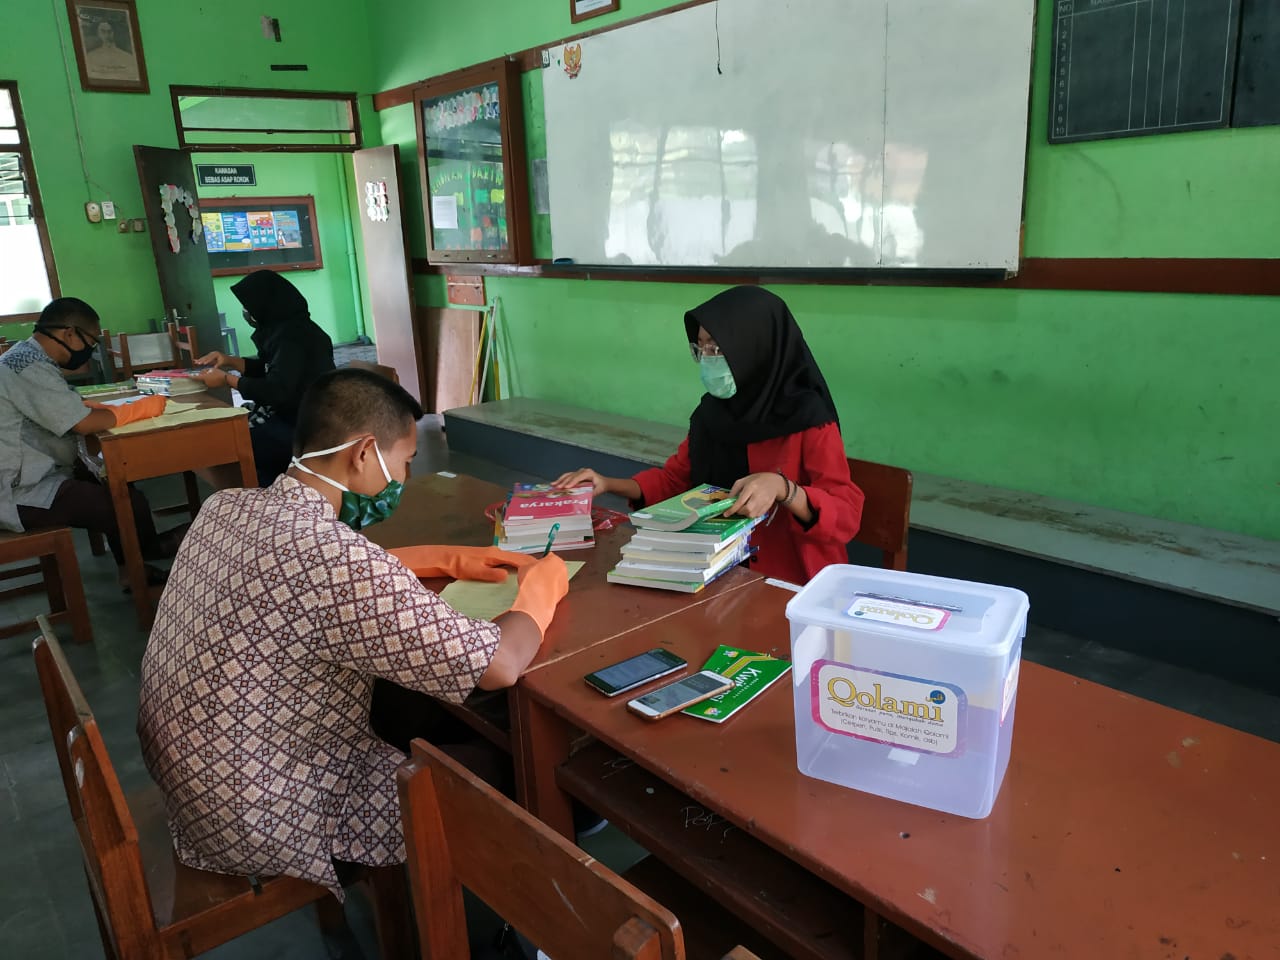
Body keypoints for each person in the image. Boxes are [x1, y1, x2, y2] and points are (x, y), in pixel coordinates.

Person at [138, 367, 569, 896]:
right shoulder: (333, 559)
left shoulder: (228, 507)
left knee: (409, 706)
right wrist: (543, 587)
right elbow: (500, 665)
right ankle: (525, 914)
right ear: (364, 453)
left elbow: (303, 574)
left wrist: (443, 557)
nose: (405, 479)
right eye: (406, 462)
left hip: (198, 780)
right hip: (268, 813)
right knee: (519, 765)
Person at [554, 286, 864, 584]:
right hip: (714, 570)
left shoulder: (807, 418)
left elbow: (847, 514)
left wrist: (784, 489)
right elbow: (675, 483)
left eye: (717, 347)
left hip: (788, 582)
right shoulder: (713, 415)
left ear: (753, 347)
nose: (707, 358)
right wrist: (607, 484)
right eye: (701, 347)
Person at [1, 298, 182, 587]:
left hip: (32, 471)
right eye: (90, 341)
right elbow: (83, 423)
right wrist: (140, 409)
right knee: (124, 503)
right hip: (17, 492)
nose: (89, 351)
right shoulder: (28, 367)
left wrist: (105, 409)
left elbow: (67, 404)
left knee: (111, 476)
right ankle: (147, 555)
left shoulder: (25, 356)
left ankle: (131, 567)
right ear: (69, 333)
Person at [195, 270, 336, 487]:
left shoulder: (292, 338)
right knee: (225, 436)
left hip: (305, 428)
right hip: (293, 416)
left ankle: (270, 498)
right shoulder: (286, 328)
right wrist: (229, 361)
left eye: (248, 306)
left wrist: (227, 380)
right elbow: (272, 368)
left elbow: (275, 390)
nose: (246, 312)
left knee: (228, 446)